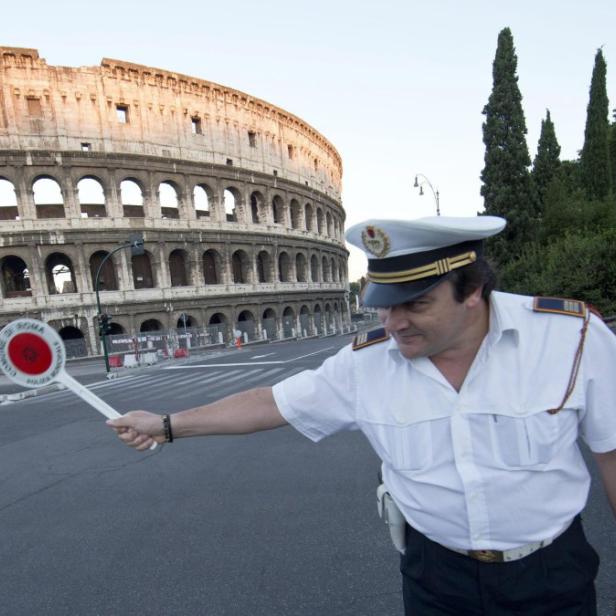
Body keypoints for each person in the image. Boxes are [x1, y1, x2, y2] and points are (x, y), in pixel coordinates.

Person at [108, 215, 616, 615]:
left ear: (473, 291)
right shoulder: (365, 364)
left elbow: (612, 454)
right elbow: (272, 403)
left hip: (552, 573)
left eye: (414, 304)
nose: (393, 323)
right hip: (437, 578)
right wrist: (167, 425)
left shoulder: (571, 338)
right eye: (382, 304)